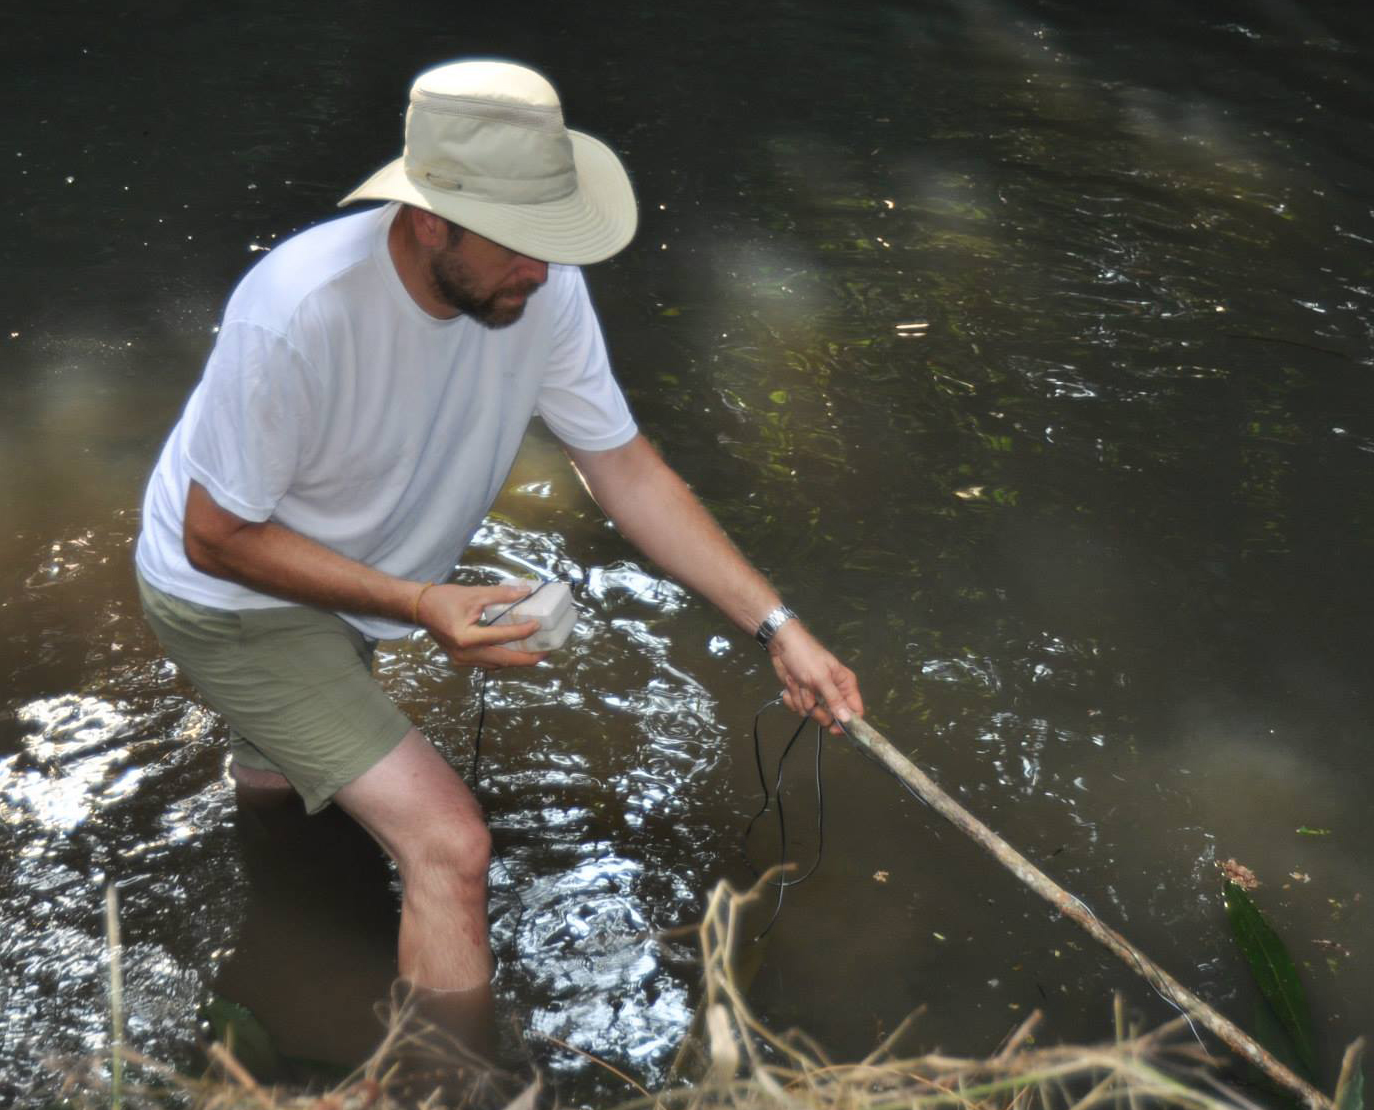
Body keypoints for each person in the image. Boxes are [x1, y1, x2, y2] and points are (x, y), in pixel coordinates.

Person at [131, 59, 863, 1039]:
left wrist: (776, 627)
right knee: (449, 844)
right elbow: (215, 536)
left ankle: (281, 898)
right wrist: (420, 603)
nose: (543, 270)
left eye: (553, 243)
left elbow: (626, 471)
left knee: (286, 782)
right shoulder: (300, 310)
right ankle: (450, 1106)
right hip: (232, 598)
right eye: (521, 244)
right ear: (430, 219)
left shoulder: (534, 290)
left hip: (349, 578)